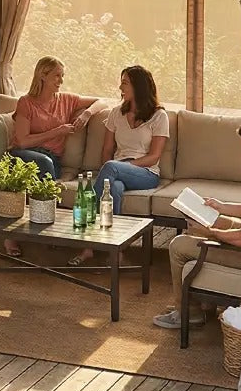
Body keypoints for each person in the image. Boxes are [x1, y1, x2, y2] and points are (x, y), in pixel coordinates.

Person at [154, 119, 241, 330]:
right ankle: (201, 302)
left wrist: (210, 232)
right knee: (211, 220)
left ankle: (188, 313)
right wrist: (221, 207)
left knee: (178, 245)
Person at [70, 65, 169, 266]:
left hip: (145, 172)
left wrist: (121, 166)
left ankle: (87, 241)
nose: (120, 87)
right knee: (113, 189)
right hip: (116, 171)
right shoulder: (116, 113)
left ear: (138, 86)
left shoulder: (159, 116)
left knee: (110, 168)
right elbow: (107, 150)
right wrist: (115, 167)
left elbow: (154, 156)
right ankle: (115, 250)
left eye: (125, 83)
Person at [6, 56, 98, 256]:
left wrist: (87, 113)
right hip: (23, 155)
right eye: (57, 76)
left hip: (51, 160)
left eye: (62, 76)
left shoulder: (66, 100)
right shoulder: (26, 103)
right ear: (42, 75)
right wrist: (57, 132)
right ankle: (22, 234)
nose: (61, 80)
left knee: (45, 165)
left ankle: (38, 227)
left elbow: (102, 102)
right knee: (36, 168)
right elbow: (22, 141)